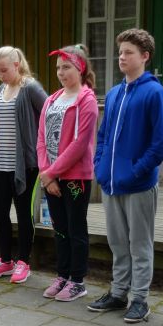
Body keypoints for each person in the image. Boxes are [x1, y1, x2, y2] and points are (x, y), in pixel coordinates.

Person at [88, 28, 163, 322]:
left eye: (129, 53)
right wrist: (100, 166)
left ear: (145, 56)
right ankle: (118, 293)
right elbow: (103, 135)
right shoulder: (113, 94)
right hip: (111, 183)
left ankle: (140, 299)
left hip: (139, 185)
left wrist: (136, 171)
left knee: (140, 244)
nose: (122, 57)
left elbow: (161, 143)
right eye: (121, 52)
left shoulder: (154, 93)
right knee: (117, 242)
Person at [37, 45, 99, 302]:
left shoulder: (87, 100)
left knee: (75, 229)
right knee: (59, 229)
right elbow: (41, 138)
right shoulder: (51, 100)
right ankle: (62, 275)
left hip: (75, 178)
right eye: (58, 68)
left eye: (66, 67)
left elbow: (80, 144)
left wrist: (52, 172)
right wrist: (46, 173)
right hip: (51, 177)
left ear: (80, 68)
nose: (61, 73)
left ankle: (77, 280)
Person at [0, 46, 48, 284]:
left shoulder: (30, 88)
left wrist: (42, 151)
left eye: (4, 70)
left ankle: (24, 262)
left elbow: (49, 114)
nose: (0, 75)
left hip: (26, 166)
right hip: (1, 164)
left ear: (17, 65)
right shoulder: (2, 89)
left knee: (23, 215)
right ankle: (5, 260)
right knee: (0, 212)